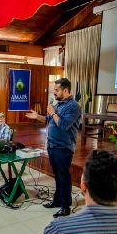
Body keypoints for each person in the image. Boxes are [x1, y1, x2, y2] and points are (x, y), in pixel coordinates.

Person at [26, 78, 81, 218]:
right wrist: (37, 116)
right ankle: (57, 201)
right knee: (57, 176)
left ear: (66, 90)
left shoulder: (73, 106)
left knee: (63, 177)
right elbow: (49, 120)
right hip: (52, 145)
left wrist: (52, 113)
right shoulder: (58, 104)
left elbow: (63, 125)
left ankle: (65, 206)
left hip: (64, 147)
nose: (54, 92)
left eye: (56, 90)